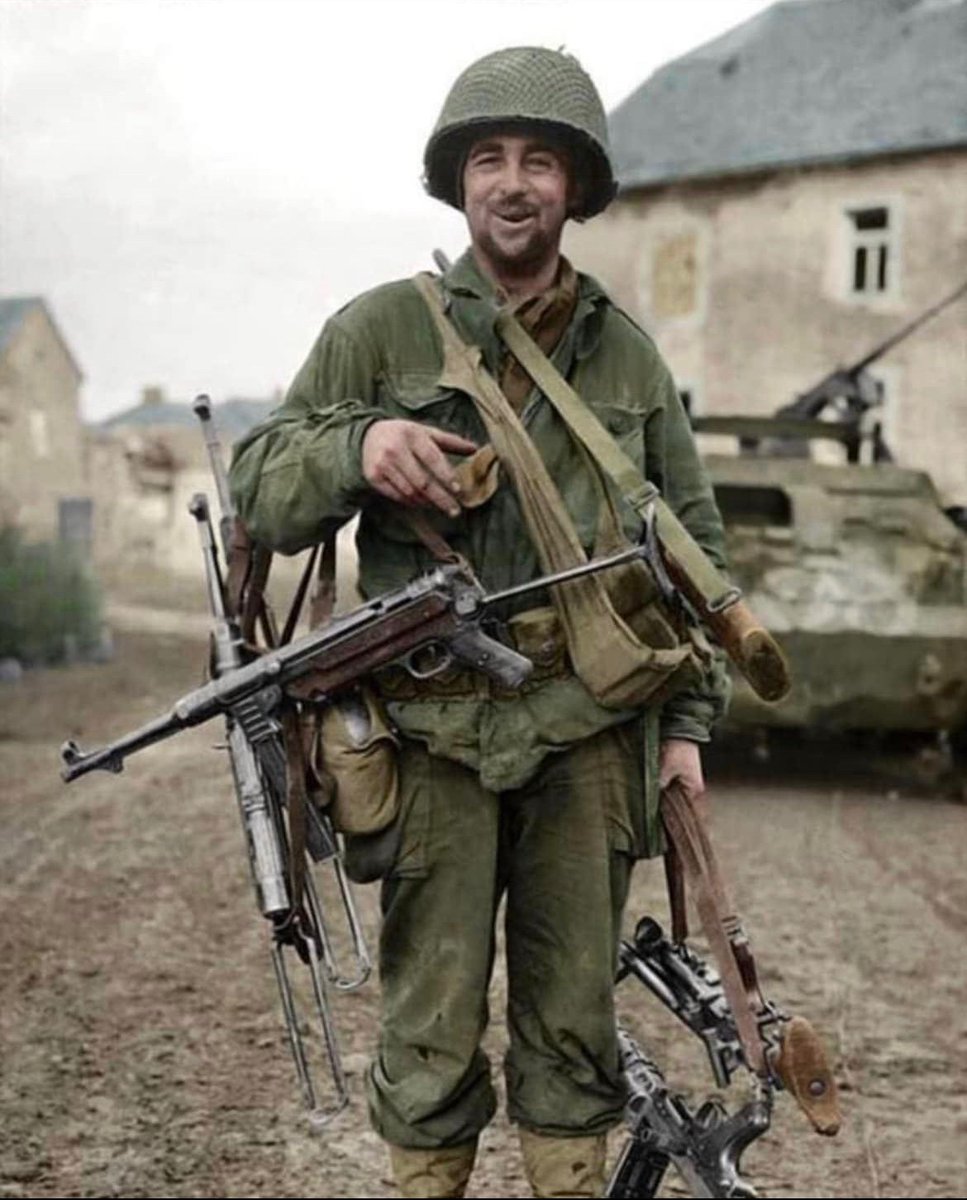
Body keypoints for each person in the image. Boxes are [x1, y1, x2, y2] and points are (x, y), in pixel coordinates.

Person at [229, 46, 729, 1200]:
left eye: (539, 161)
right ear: (458, 184)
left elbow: (701, 554)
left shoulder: (628, 358)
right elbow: (261, 484)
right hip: (429, 736)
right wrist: (358, 448)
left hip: (589, 733)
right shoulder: (381, 333)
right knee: (431, 1024)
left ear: (576, 188)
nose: (513, 183)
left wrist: (688, 730)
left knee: (571, 1023)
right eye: (489, 159)